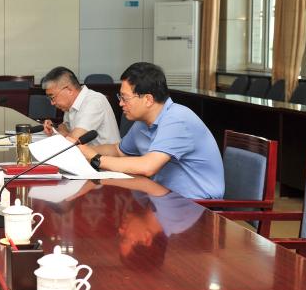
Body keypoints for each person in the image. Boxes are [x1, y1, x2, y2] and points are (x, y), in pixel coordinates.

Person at [78, 62, 224, 200]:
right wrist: (79, 151)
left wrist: (96, 159)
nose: (121, 103)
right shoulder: (143, 122)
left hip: (199, 206)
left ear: (148, 99)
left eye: (125, 98)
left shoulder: (177, 119)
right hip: (164, 198)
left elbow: (148, 166)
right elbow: (118, 150)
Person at [39, 66, 120, 146]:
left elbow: (72, 142)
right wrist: (54, 128)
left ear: (69, 90)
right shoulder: (71, 103)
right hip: (84, 153)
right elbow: (65, 127)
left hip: (103, 154)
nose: (52, 103)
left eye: (52, 97)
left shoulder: (94, 101)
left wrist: (65, 134)